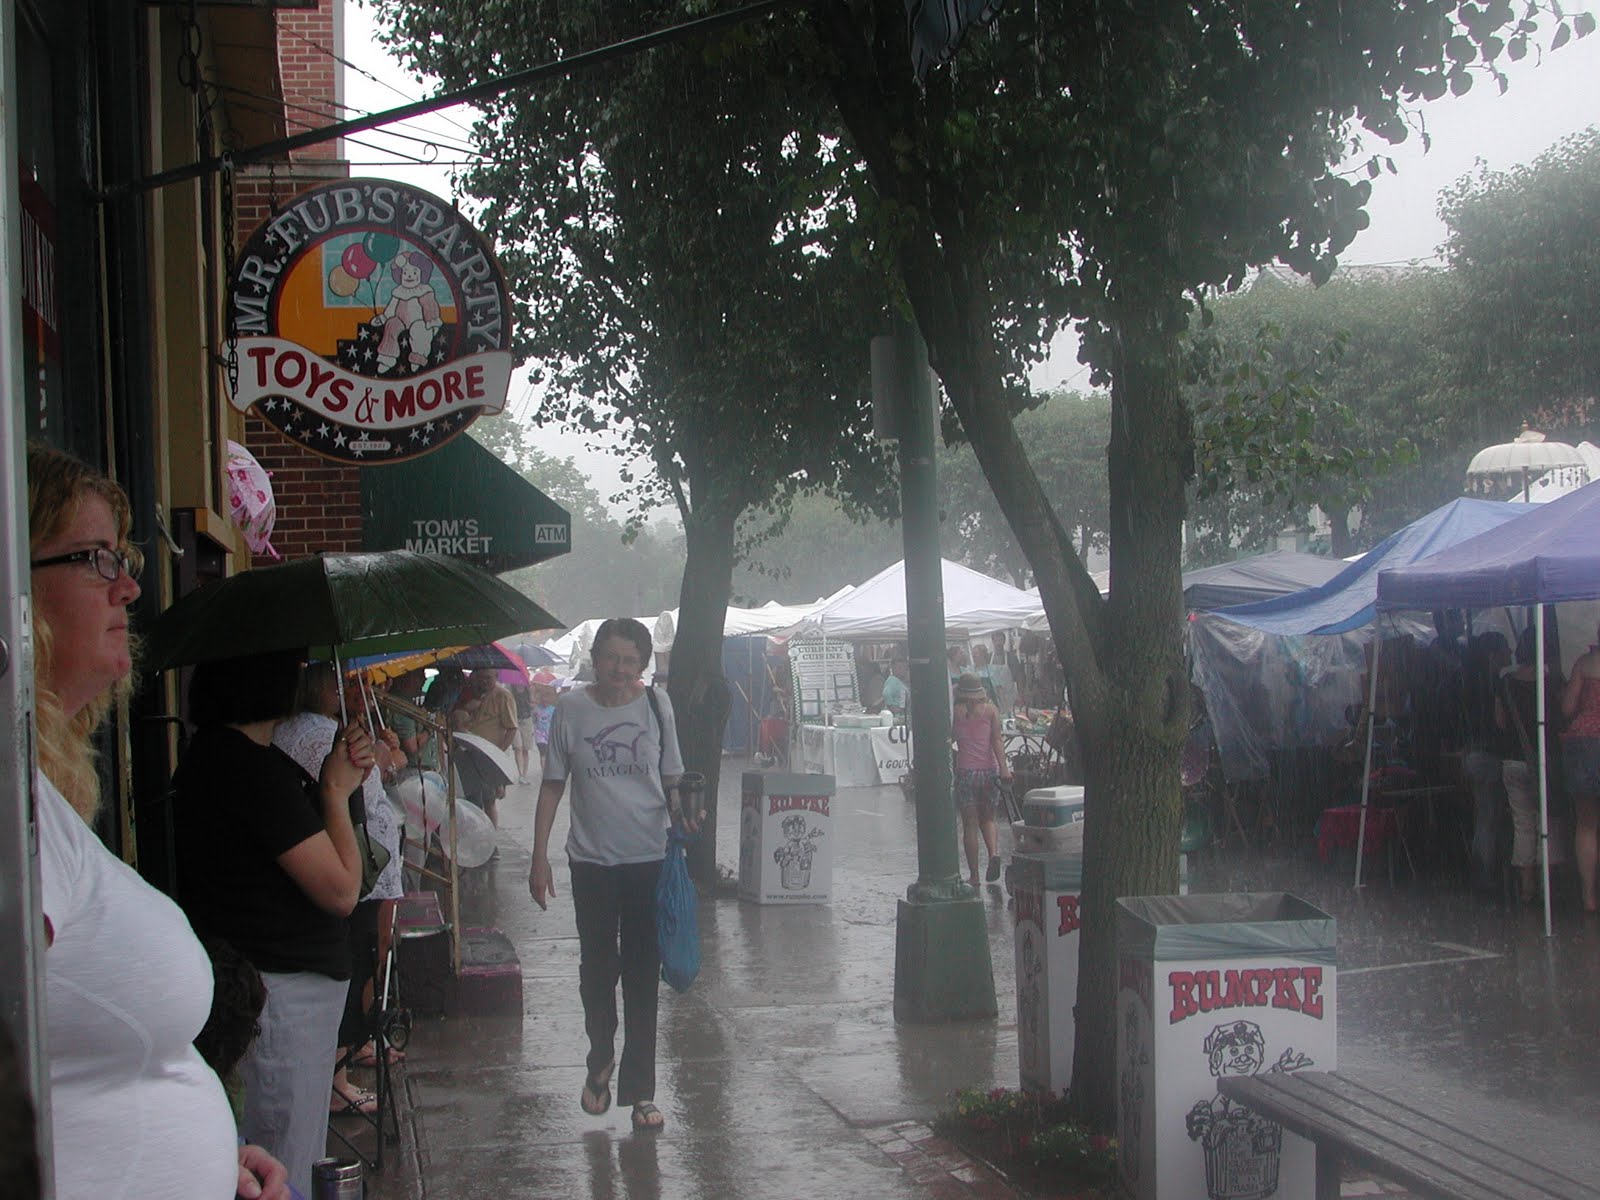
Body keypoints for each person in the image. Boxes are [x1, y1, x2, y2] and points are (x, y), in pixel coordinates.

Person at [27, 443, 290, 1199]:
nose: (130, 587)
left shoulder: (41, 798)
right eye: (97, 558)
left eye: (124, 557)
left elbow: (80, 1067)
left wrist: (213, 1159)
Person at [173, 648, 376, 1196]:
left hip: (279, 987)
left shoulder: (240, 758)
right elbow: (340, 890)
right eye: (295, 665)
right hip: (278, 993)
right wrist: (334, 793)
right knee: (282, 1158)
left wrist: (343, 779)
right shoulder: (244, 768)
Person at [527, 618, 701, 1134]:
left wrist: (686, 812)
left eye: (631, 660)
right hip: (591, 863)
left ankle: (641, 1091)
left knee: (643, 974)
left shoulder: (656, 705)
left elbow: (671, 777)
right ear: (595, 658)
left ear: (642, 666)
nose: (620, 670)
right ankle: (600, 1057)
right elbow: (553, 786)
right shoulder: (571, 709)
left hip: (648, 859)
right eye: (612, 658)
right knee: (597, 969)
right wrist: (539, 857)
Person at [273, 661, 406, 1116]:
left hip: (359, 868)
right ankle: (337, 1079)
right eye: (333, 683)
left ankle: (353, 1051)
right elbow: (346, 789)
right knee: (353, 964)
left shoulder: (316, 730)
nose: (339, 689)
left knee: (365, 959)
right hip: (353, 870)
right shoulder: (320, 736)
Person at [1495, 626, 1568, 906]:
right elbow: (1562, 715)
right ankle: (1551, 886)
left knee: (1522, 823)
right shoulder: (1552, 681)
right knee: (1548, 822)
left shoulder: (1504, 683)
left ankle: (1527, 887)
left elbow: (1500, 722)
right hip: (1545, 759)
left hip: (1513, 761)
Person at [1461, 632, 1513, 891]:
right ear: (1493, 655)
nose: (1511, 654)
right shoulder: (1495, 685)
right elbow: (1500, 725)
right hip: (1489, 756)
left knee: (1483, 815)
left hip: (1472, 754)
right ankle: (1487, 872)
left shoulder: (1469, 683)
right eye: (1506, 650)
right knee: (1490, 815)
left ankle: (1482, 868)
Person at [951, 672, 1011, 887]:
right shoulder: (991, 711)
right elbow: (996, 740)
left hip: (966, 772)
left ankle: (974, 875)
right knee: (989, 819)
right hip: (990, 771)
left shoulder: (954, 713)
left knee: (970, 825)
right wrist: (1004, 768)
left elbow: (948, 740)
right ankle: (994, 853)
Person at [1561, 621, 1600, 913]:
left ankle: (1588, 897)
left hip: (1583, 743)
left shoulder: (1584, 664)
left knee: (1586, 824)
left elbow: (1567, 708)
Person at [511, 680, 537, 784]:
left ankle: (524, 775)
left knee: (525, 749)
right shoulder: (510, 688)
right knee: (518, 747)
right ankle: (521, 774)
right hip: (514, 720)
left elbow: (533, 705)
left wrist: (531, 693)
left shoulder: (528, 688)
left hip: (526, 719)